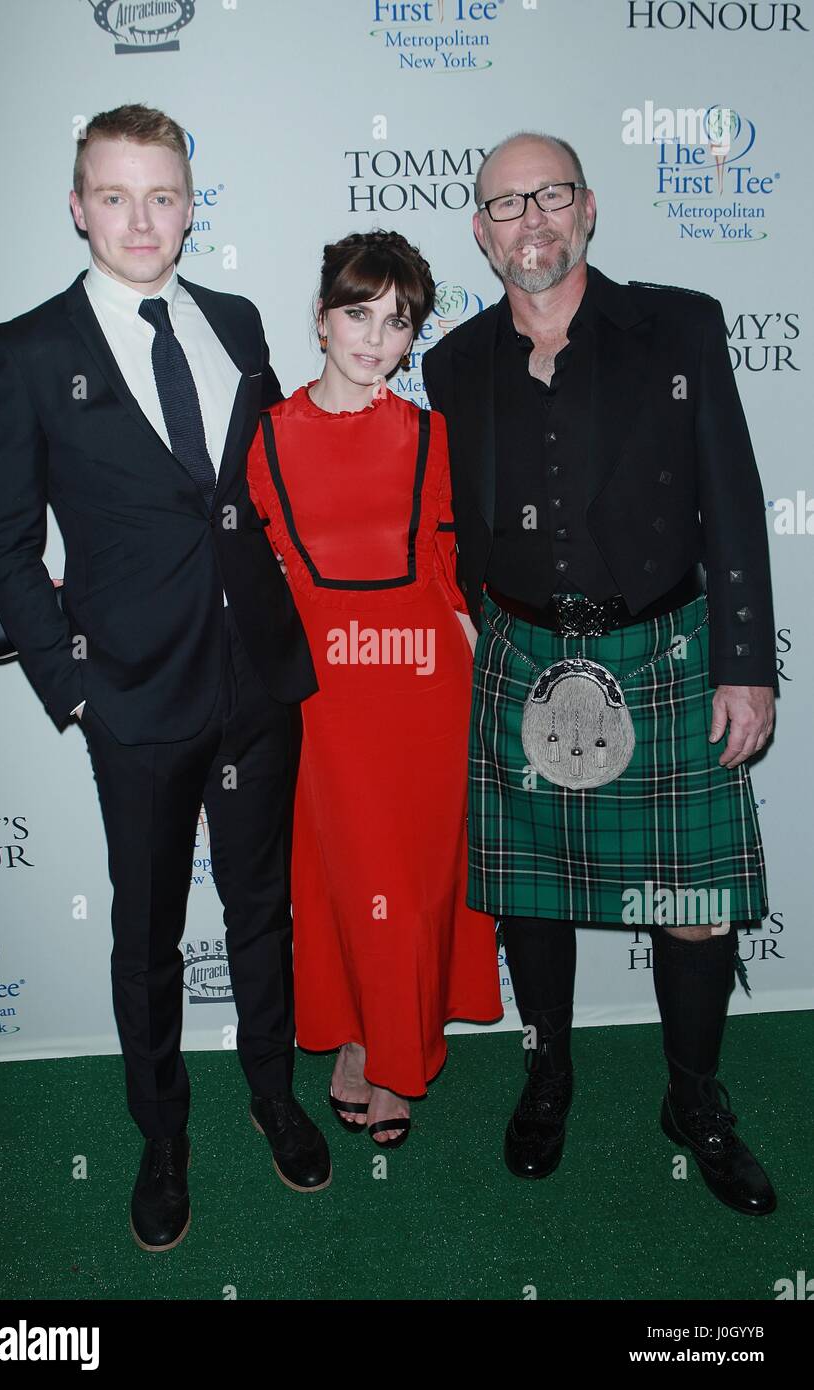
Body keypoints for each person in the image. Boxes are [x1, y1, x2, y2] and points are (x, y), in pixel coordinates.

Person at [0, 103, 331, 1253]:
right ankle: (161, 1136)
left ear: (190, 203)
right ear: (78, 207)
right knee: (147, 934)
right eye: (115, 196)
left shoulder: (235, 319)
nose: (142, 218)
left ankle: (274, 1097)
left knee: (262, 911)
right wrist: (72, 688)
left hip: (259, 684)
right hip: (132, 695)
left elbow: (263, 495)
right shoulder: (24, 351)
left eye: (163, 194)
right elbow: (3, 540)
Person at [421, 131, 778, 1213]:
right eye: (503, 205)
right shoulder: (451, 363)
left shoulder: (676, 326)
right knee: (532, 899)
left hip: (664, 651)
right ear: (478, 233)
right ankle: (548, 1069)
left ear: (587, 209)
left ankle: (694, 1096)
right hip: (520, 651)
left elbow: (733, 499)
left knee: (692, 898)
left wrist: (744, 661)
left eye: (549, 197)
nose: (528, 221)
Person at [246, 230, 502, 1147]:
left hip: (428, 693)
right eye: (357, 313)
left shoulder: (434, 435)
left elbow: (448, 565)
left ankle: (394, 1051)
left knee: (416, 881)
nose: (374, 337)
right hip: (326, 696)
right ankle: (357, 1034)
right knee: (346, 878)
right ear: (320, 318)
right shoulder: (264, 440)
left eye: (397, 322)